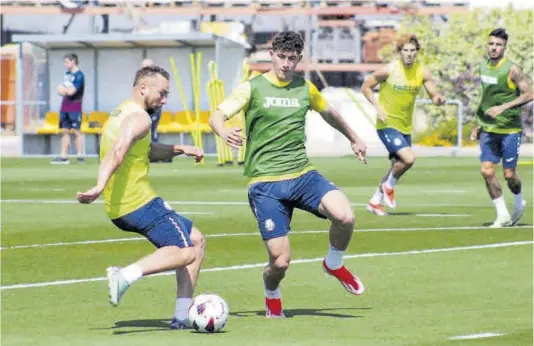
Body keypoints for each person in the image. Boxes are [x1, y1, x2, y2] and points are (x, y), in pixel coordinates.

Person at [209, 31, 367, 318]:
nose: (285, 64)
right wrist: (223, 131)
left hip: (302, 174)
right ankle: (271, 291)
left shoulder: (305, 89)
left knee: (345, 216)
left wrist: (354, 137)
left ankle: (333, 263)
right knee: (280, 263)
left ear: (299, 59)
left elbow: (329, 113)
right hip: (265, 183)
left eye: (291, 59)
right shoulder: (252, 87)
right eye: (281, 57)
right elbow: (216, 116)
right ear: (271, 54)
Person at [76, 65, 206, 330]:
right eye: (162, 93)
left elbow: (144, 150)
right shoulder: (141, 118)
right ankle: (124, 276)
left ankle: (181, 317)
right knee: (185, 251)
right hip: (137, 202)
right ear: (143, 88)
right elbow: (119, 149)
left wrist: (180, 148)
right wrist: (99, 185)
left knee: (197, 239)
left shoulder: (122, 111)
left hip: (121, 207)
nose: (165, 100)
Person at [361, 34, 447, 216]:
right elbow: (365, 87)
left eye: (412, 51)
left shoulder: (423, 72)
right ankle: (388, 187)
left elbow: (434, 95)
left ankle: (375, 202)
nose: (409, 54)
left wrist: (439, 99)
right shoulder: (389, 70)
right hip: (387, 124)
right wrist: (378, 107)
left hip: (405, 126)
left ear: (417, 52)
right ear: (400, 52)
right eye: (405, 50)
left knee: (396, 166)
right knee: (409, 159)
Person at [470, 28, 532, 227]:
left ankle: (518, 199)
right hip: (488, 128)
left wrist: (503, 107)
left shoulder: (513, 69)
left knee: (509, 175)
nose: (494, 48)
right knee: (487, 171)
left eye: (498, 45)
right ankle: (502, 214)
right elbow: (485, 99)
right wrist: (477, 124)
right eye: (491, 44)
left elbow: (529, 94)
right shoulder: (482, 67)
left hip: (510, 130)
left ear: (505, 47)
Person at [51, 53, 85, 164]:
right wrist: (64, 89)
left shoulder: (79, 76)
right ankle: (64, 157)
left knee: (76, 131)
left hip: (75, 106)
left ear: (73, 61)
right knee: (65, 131)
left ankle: (80, 156)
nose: (65, 64)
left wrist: (64, 89)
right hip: (65, 106)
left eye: (66, 62)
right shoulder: (67, 75)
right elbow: (59, 89)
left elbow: (71, 91)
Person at [141, 58, 163, 143]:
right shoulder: (140, 80)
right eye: (144, 67)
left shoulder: (158, 79)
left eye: (149, 67)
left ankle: (154, 147)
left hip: (154, 108)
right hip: (142, 108)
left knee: (151, 130)